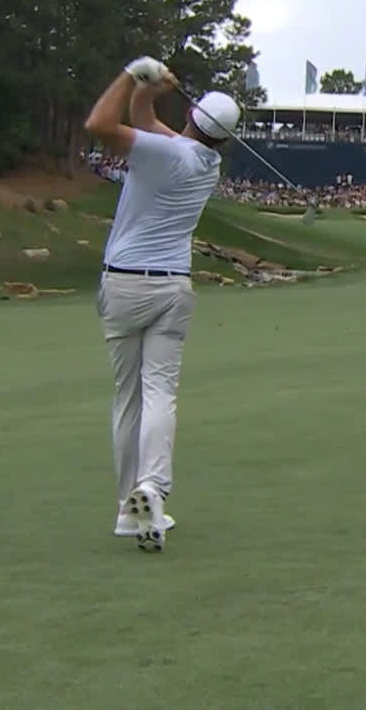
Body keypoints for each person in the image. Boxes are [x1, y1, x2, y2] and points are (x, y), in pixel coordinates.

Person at [83, 55, 242, 552]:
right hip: (172, 288)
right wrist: (152, 92)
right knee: (160, 393)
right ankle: (151, 489)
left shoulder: (167, 154)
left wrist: (134, 72)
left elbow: (99, 125)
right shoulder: (204, 162)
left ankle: (132, 503)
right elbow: (143, 122)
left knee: (129, 398)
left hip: (125, 285)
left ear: (192, 120)